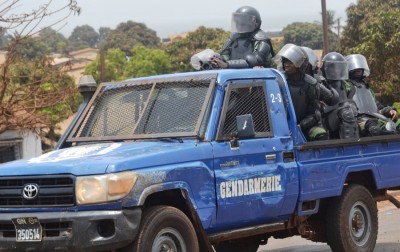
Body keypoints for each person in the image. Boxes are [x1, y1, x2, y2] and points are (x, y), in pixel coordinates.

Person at [275, 44, 339, 141]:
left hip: (306, 126)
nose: (287, 64)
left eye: (290, 61)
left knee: (320, 134)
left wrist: (300, 126)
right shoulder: (278, 81)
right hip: (282, 126)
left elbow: (315, 113)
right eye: (285, 61)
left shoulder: (311, 84)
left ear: (300, 64)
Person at [345, 54, 398, 136]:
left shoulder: (366, 86)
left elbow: (376, 104)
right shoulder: (345, 85)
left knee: (397, 123)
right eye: (355, 67)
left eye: (359, 68)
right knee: (374, 128)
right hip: (358, 119)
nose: (358, 69)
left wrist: (388, 110)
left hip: (373, 117)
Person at [321, 52, 359, 139]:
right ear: (324, 68)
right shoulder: (321, 84)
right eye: (332, 68)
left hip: (343, 117)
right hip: (325, 118)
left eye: (338, 68)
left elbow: (351, 102)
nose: (336, 70)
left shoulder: (347, 85)